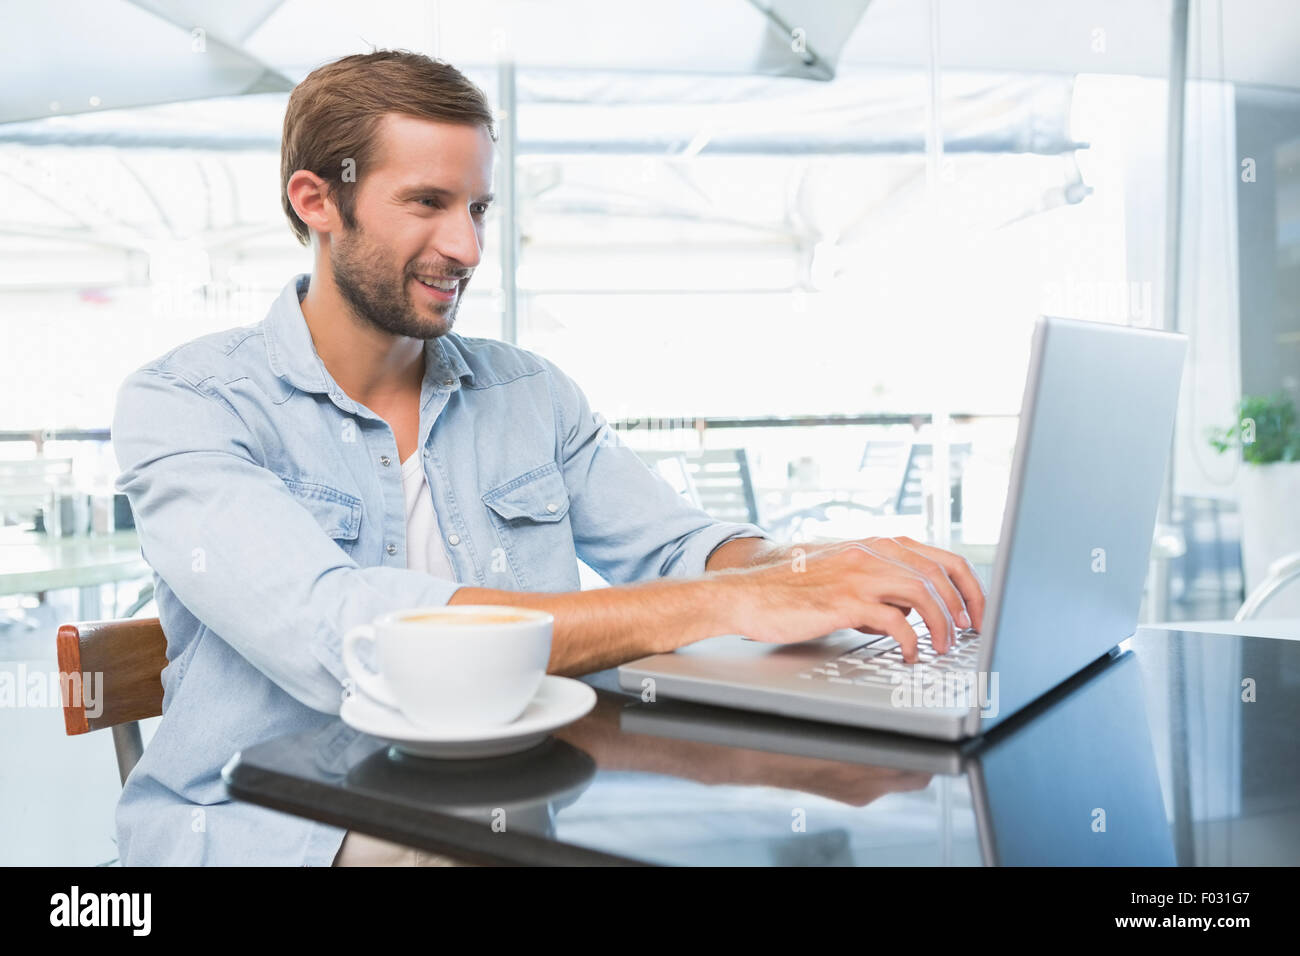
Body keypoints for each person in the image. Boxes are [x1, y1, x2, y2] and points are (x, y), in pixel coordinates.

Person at [111, 50, 984, 867]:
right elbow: (343, 631)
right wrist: (742, 598)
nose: (468, 248)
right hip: (273, 830)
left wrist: (819, 567)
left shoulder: (529, 394)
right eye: (427, 203)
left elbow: (676, 546)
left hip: (511, 797)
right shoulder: (186, 404)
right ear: (316, 201)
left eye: (478, 208)